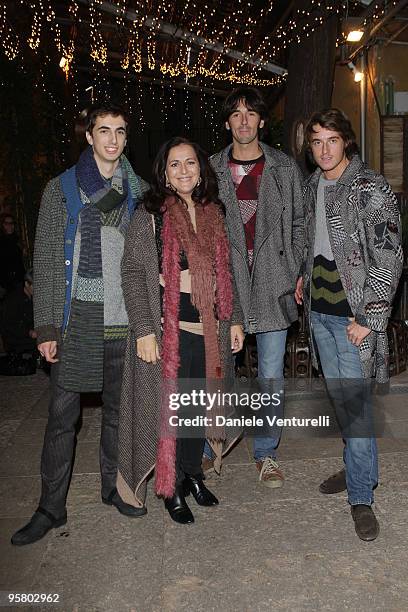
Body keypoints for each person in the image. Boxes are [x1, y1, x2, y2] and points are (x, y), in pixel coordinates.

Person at [11, 102, 149, 546]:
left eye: (120, 131)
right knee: (60, 421)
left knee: (117, 416)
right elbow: (49, 258)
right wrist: (47, 328)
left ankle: (112, 486)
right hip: (77, 325)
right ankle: (50, 507)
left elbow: (148, 260)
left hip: (124, 324)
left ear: (127, 139)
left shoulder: (139, 193)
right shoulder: (63, 189)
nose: (112, 139)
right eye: (103, 131)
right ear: (89, 136)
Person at [117, 136, 244, 524]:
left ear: (200, 168)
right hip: (167, 331)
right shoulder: (150, 214)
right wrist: (143, 329)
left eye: (190, 162)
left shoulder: (213, 212)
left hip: (209, 331)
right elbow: (133, 273)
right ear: (165, 173)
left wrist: (234, 318)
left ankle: (191, 475)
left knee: (197, 411)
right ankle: (169, 487)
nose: (184, 170)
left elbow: (227, 272)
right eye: (175, 164)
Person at [296, 108, 403, 541]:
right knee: (344, 406)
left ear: (347, 142)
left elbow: (390, 257)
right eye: (316, 141)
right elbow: (315, 241)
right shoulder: (312, 185)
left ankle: (361, 497)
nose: (324, 149)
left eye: (332, 140)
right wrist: (305, 275)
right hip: (319, 311)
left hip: (352, 319)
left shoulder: (370, 187)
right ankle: (359, 468)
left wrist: (370, 319)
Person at [210, 86, 304, 487]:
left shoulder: (283, 168)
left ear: (262, 121)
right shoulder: (209, 168)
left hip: (272, 283)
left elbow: (300, 222)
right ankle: (210, 447)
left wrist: (293, 271)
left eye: (251, 113)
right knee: (219, 373)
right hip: (224, 286)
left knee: (269, 375)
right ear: (228, 121)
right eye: (236, 114)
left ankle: (266, 453)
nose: (244, 120)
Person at [0, 268, 37, 375]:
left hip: (27, 334)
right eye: (35, 286)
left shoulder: (31, 297)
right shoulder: (13, 300)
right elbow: (10, 325)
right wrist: (29, 332)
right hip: (15, 338)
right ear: (27, 284)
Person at [0, 213, 25, 295]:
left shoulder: (16, 239)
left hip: (18, 278)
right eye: (7, 224)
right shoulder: (2, 241)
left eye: (12, 223)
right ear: (3, 225)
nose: (10, 226)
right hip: (6, 281)